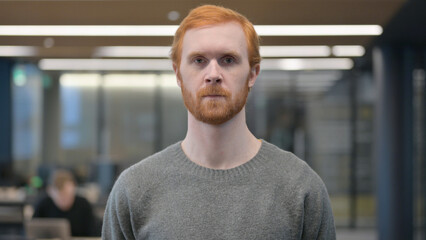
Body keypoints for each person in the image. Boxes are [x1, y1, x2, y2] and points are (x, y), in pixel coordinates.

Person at [102, 4, 336, 239]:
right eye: (199, 60)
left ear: (253, 73)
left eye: (228, 60)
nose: (213, 74)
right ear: (178, 74)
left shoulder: (301, 188)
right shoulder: (134, 191)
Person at [33, 169, 96, 237]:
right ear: (50, 192)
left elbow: (94, 234)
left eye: (68, 195)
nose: (65, 200)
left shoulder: (84, 205)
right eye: (61, 197)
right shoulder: (43, 205)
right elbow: (32, 231)